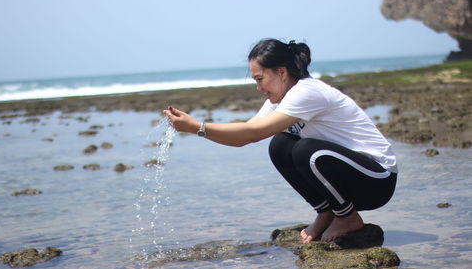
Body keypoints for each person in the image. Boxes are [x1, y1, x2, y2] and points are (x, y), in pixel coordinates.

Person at [163, 38, 397, 243]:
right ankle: (327, 212)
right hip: (349, 178)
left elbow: (252, 132)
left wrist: (197, 126)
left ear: (281, 72)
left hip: (377, 179)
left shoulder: (307, 91)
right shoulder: (280, 99)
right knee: (281, 145)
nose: (258, 87)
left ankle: (347, 218)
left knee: (306, 150)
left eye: (259, 79)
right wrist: (196, 130)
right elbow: (246, 135)